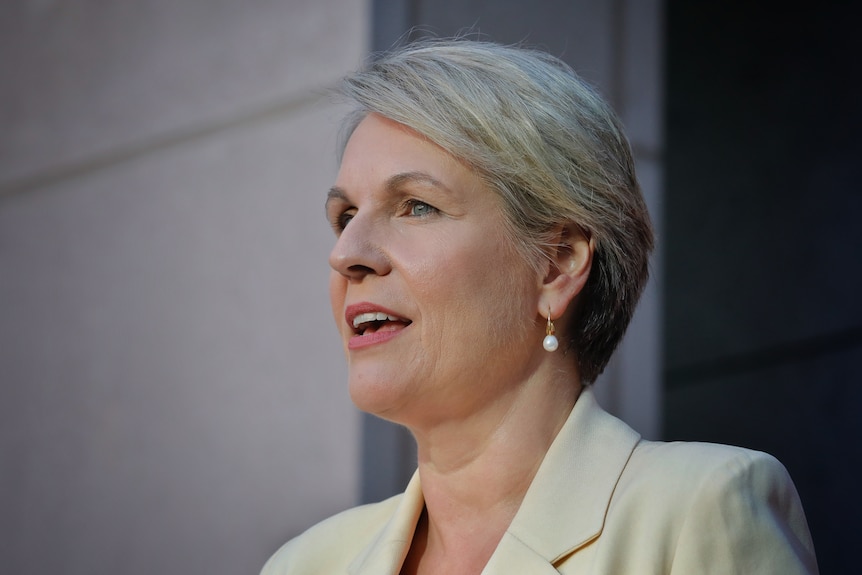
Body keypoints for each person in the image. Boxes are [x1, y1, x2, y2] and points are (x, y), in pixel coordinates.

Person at [261, 39, 818, 574]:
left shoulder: (697, 510)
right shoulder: (305, 565)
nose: (345, 255)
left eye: (416, 207)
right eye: (344, 217)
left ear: (556, 265)